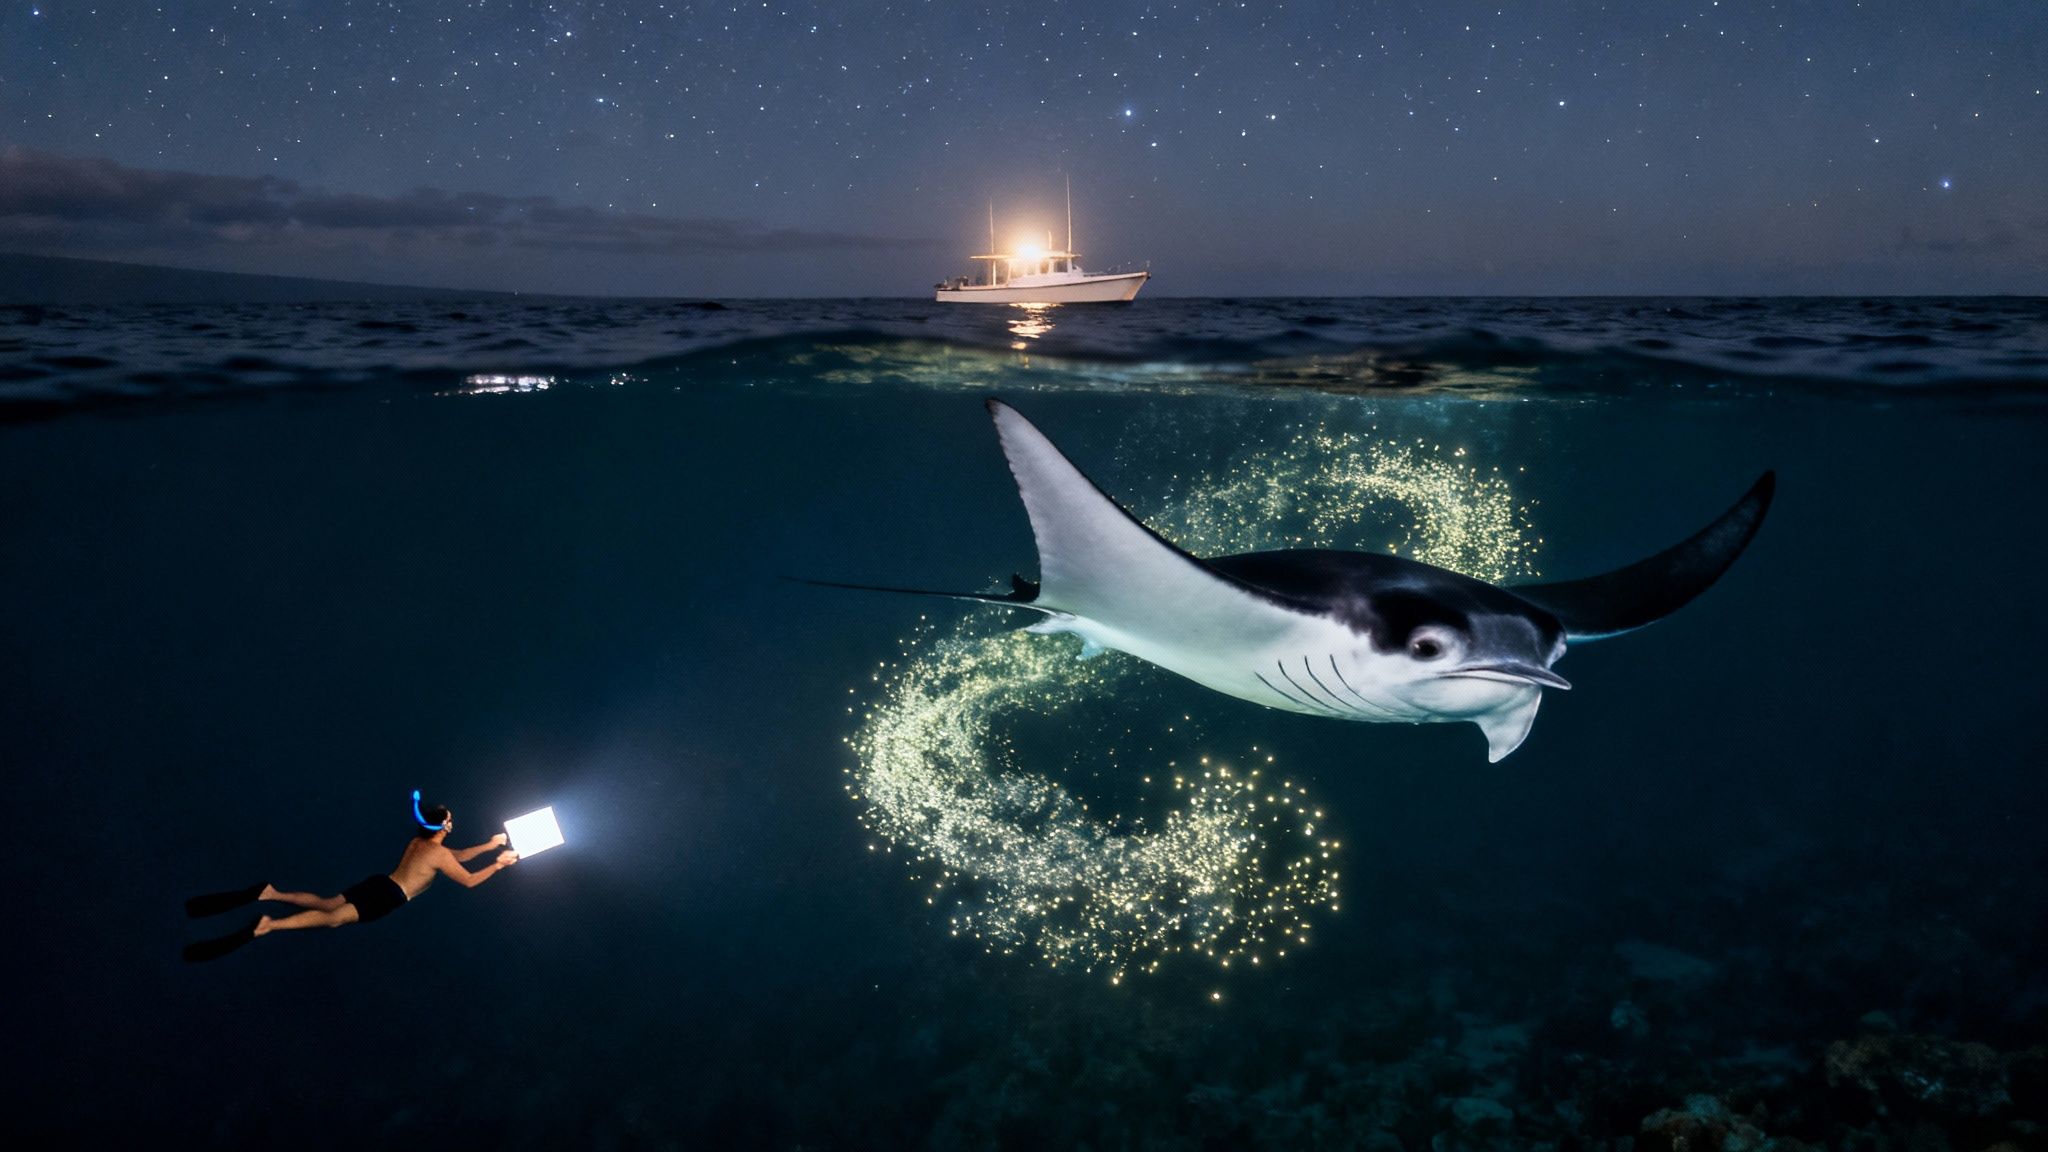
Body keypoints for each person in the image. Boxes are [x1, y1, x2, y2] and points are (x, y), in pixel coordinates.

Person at [182, 793, 516, 962]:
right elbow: (469, 879)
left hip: (379, 882)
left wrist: (489, 845)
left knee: (329, 904)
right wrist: (499, 865)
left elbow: (457, 857)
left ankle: (271, 893)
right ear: (442, 826)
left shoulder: (420, 843)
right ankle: (268, 925)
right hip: (389, 896)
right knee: (333, 919)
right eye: (450, 821)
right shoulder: (439, 854)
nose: (452, 824)